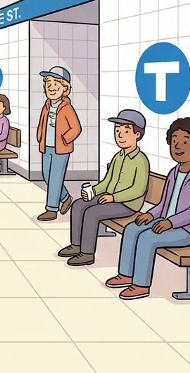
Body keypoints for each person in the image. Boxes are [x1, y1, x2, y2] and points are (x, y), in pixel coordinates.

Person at [106, 117, 190, 300]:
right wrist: (150, 215)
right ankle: (125, 274)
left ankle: (141, 285)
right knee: (132, 228)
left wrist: (170, 222)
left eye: (184, 141)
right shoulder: (174, 172)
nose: (177, 146)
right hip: (165, 221)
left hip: (188, 230)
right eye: (174, 140)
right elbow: (164, 204)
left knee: (147, 238)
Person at [59, 110, 149, 266]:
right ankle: (76, 245)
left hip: (128, 204)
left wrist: (113, 198)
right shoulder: (118, 157)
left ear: (137, 135)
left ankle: (87, 253)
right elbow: (107, 181)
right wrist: (93, 191)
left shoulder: (140, 160)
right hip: (110, 198)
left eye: (126, 131)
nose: (120, 135)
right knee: (78, 204)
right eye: (117, 130)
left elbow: (138, 190)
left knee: (92, 212)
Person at [36, 66, 81, 221]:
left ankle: (51, 209)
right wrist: (40, 136)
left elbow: (76, 128)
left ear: (65, 88)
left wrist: (64, 139)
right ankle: (66, 197)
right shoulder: (47, 106)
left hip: (61, 149)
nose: (51, 86)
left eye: (56, 83)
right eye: (48, 82)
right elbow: (42, 123)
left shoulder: (67, 108)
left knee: (55, 178)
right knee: (47, 176)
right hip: (46, 146)